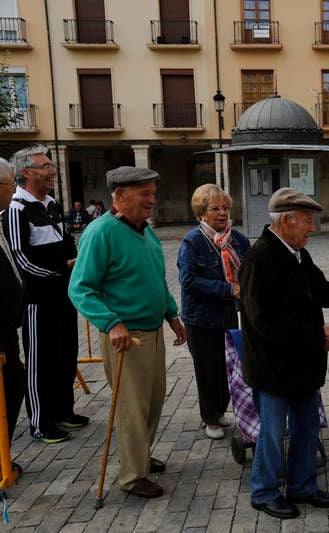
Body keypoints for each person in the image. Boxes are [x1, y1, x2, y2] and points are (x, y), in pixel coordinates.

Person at [240, 187, 329, 520]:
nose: (311, 228)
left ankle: (302, 485)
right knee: (271, 434)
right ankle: (264, 492)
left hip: (301, 363)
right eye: (306, 222)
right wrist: (316, 337)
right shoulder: (260, 259)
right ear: (285, 221)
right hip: (273, 368)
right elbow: (264, 323)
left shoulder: (298, 254)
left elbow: (322, 291)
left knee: (306, 426)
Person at [68, 166, 187, 499]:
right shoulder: (100, 232)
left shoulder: (144, 230)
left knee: (152, 399)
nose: (153, 200)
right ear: (120, 195)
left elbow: (156, 278)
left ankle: (142, 457)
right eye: (145, 194)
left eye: (152, 193)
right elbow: (80, 289)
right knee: (132, 407)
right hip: (125, 336)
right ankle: (133, 476)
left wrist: (172, 314)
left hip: (151, 329)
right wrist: (111, 323)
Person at [2, 145, 86, 444]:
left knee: (66, 353)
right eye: (46, 166)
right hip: (38, 300)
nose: (53, 170)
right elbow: (22, 260)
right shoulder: (16, 209)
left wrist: (74, 264)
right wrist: (64, 269)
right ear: (26, 172)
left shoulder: (51, 204)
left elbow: (67, 242)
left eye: (52, 165)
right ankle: (40, 422)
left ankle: (64, 411)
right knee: (40, 361)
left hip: (64, 296)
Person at [178, 184, 250, 440]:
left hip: (233, 314)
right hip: (202, 317)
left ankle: (220, 409)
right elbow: (188, 280)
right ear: (201, 212)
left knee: (231, 366)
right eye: (215, 208)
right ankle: (211, 417)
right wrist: (227, 289)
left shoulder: (238, 239)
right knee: (208, 368)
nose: (222, 213)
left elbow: (252, 273)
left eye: (226, 208)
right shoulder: (193, 241)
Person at [0, 158, 26, 475]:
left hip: (7, 330)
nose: (14, 190)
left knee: (13, 386)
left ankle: (3, 455)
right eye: (11, 184)